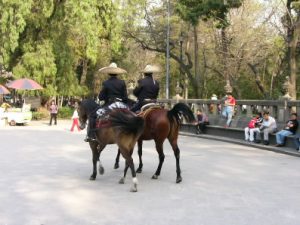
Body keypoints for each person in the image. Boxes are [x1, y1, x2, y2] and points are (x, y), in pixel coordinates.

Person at [85, 62, 128, 142]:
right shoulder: (122, 82)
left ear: (109, 72)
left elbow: (101, 97)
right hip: (122, 105)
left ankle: (91, 136)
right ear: (117, 73)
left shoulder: (106, 83)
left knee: (92, 116)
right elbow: (125, 97)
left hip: (110, 104)